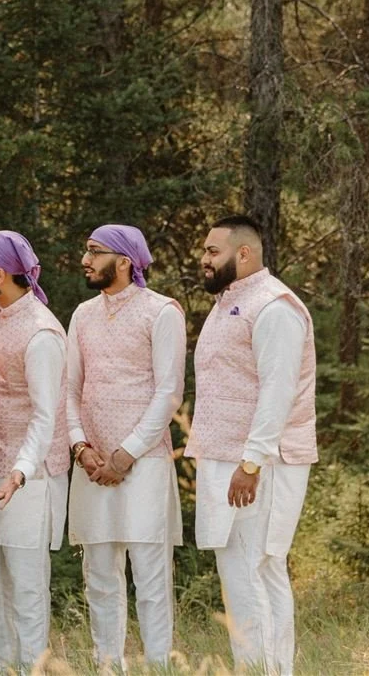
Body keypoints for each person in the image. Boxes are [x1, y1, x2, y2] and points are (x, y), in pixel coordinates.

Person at [190, 216, 317, 675]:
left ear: (243, 254)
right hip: (229, 457)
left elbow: (277, 391)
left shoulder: (274, 306)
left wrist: (251, 461)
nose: (203, 259)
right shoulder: (230, 302)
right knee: (250, 573)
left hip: (261, 462)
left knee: (253, 572)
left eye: (212, 251)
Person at [66, 224, 184, 671]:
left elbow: (169, 391)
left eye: (95, 252)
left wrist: (126, 453)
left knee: (152, 579)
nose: (85, 259)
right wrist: (81, 447)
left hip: (144, 462)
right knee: (99, 576)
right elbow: (70, 390)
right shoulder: (81, 314)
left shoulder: (162, 311)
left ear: (125, 261)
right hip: (92, 463)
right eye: (86, 249)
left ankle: (158, 667)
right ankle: (107, 666)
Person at [0, 230, 69, 673]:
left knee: (27, 588)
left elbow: (46, 416)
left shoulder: (43, 333)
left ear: (1, 274)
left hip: (27, 476)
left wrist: (21, 471)